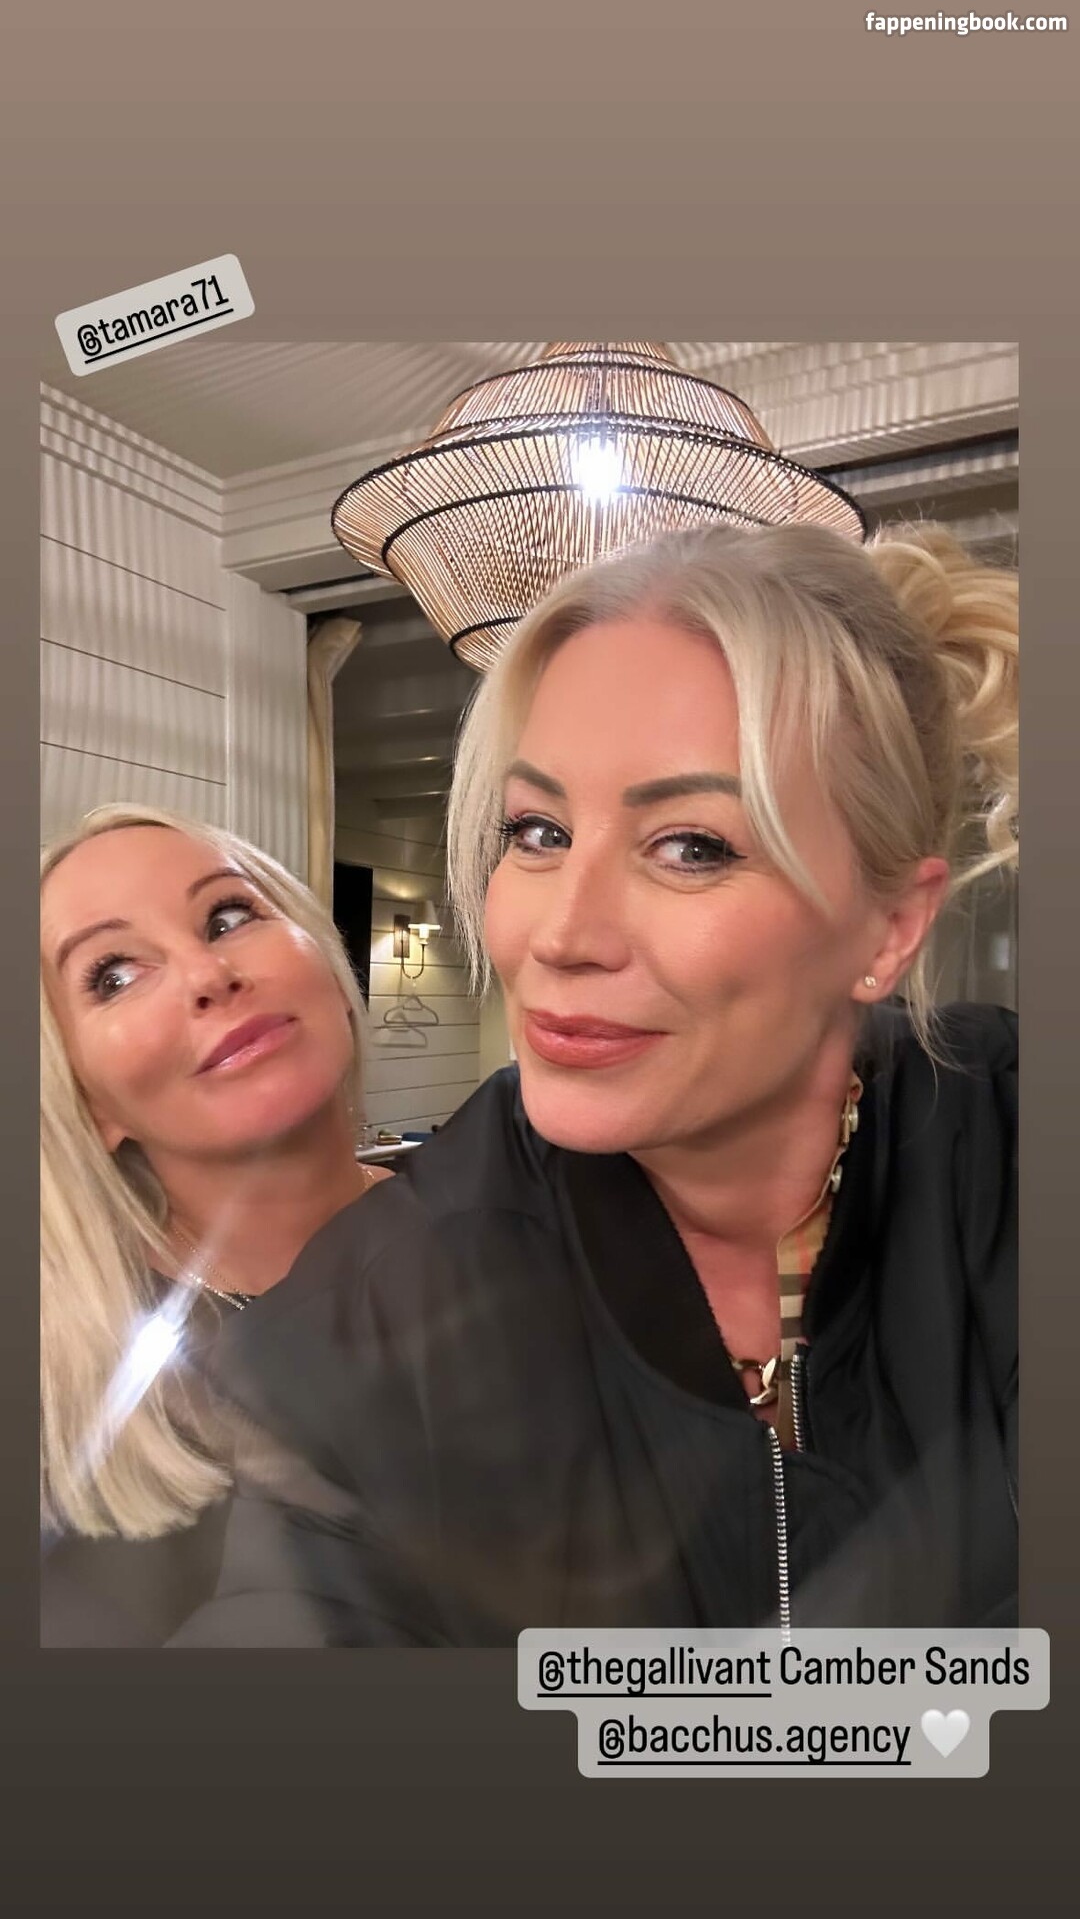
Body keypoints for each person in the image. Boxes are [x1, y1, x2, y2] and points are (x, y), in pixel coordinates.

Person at [172, 519, 1018, 1647]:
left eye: (692, 846)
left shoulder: (1011, 1136)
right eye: (538, 831)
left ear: (890, 928)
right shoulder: (360, 1326)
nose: (561, 934)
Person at [40, 803, 388, 1645]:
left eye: (228, 917)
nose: (207, 972)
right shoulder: (65, 1378)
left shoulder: (528, 1224)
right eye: (113, 975)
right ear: (85, 1101)